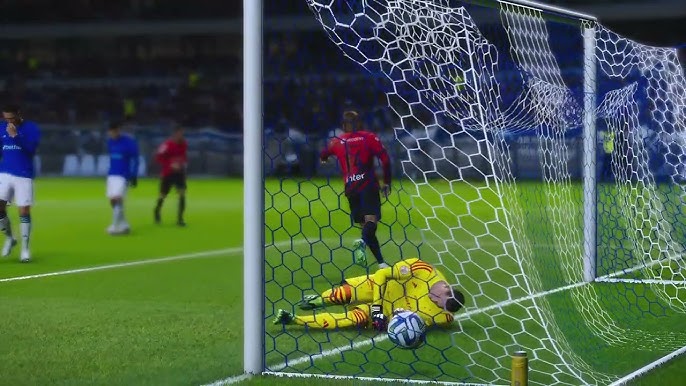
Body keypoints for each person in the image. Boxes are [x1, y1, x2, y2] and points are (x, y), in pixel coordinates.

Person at [273, 257, 466, 331]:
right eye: (439, 298)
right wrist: (377, 307)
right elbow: (383, 273)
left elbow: (412, 322)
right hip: (378, 286)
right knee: (341, 294)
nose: (435, 301)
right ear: (446, 287)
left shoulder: (442, 317)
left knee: (354, 319)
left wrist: (388, 320)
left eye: (439, 305)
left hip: (387, 309)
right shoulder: (422, 269)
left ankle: (294, 320)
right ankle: (318, 300)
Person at [320, 110, 392, 268]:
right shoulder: (369, 137)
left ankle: (381, 263)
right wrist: (386, 182)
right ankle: (362, 242)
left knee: (365, 225)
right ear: (359, 122)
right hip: (368, 184)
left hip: (351, 188)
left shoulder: (336, 140)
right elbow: (385, 160)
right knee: (371, 222)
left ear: (343, 125)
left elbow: (323, 154)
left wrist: (325, 158)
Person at [0, 105, 40, 262]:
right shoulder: (1, 128)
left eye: (11, 118)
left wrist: (16, 136)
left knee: (23, 211)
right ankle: (10, 238)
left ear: (18, 115)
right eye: (5, 118)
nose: (8, 121)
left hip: (23, 174)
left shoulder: (31, 128)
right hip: (4, 172)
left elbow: (31, 150)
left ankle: (25, 249)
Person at [106, 121, 139, 235]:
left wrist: (134, 175)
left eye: (114, 131)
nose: (112, 134)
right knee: (112, 201)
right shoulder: (109, 142)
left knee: (117, 199)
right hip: (112, 174)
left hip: (122, 175)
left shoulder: (128, 142)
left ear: (118, 130)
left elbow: (135, 159)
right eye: (110, 132)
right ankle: (124, 224)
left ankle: (114, 226)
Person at [153, 126, 188, 226]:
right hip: (168, 173)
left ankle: (180, 219)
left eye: (182, 134)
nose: (181, 136)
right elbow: (158, 157)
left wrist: (183, 164)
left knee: (182, 193)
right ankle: (157, 211)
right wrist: (170, 164)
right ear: (175, 134)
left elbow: (184, 156)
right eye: (179, 134)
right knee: (163, 195)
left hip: (179, 173)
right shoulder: (167, 144)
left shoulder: (184, 144)